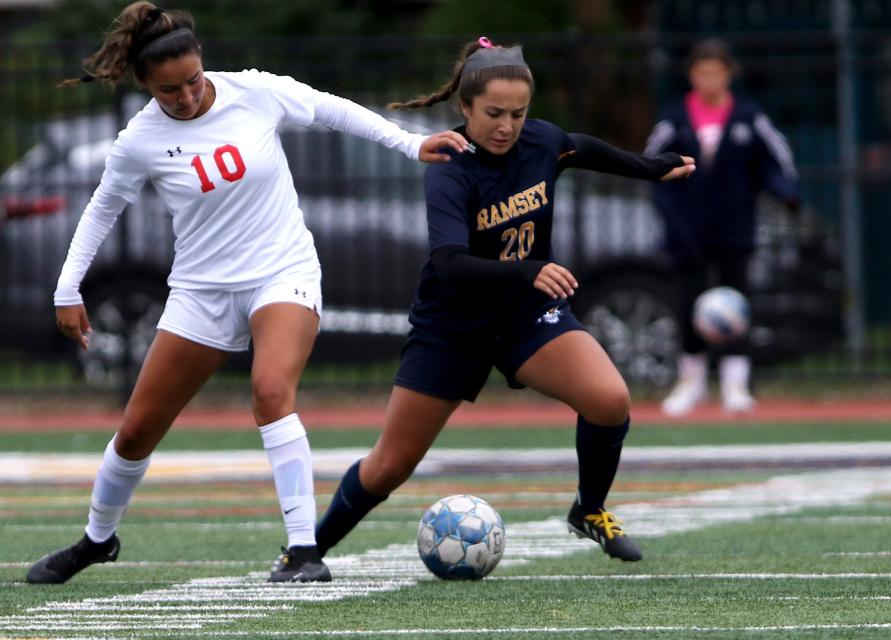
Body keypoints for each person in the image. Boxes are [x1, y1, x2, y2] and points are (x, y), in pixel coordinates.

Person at [25, 1, 469, 585]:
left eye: (191, 81)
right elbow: (102, 208)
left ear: (202, 60)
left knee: (269, 391)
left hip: (281, 272)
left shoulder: (255, 91)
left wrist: (410, 145)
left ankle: (304, 551)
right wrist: (66, 287)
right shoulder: (139, 140)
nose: (185, 97)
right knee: (136, 430)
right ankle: (96, 541)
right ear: (145, 86)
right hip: (200, 292)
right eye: (168, 91)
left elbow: (332, 110)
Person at [308, 37, 695, 580]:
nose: (507, 126)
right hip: (453, 328)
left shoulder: (543, 143)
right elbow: (448, 263)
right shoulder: (450, 165)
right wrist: (528, 268)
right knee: (389, 466)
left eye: (518, 113)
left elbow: (584, 149)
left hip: (524, 317)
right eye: (493, 113)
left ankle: (588, 509)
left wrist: (653, 168)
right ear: (464, 108)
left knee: (609, 400)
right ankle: (305, 551)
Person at [645, 38, 799, 416]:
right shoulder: (675, 120)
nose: (710, 80)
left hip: (735, 229)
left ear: (730, 74)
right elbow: (652, 170)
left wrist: (786, 192)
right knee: (688, 304)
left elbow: (775, 164)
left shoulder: (748, 118)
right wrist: (670, 218)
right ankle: (691, 382)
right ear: (692, 75)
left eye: (717, 72)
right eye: (702, 72)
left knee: (737, 304)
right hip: (686, 233)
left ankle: (736, 385)